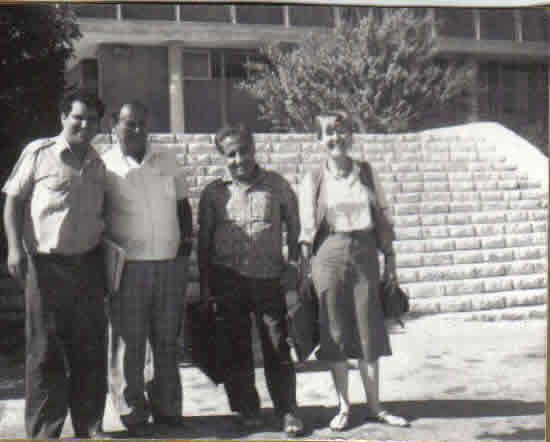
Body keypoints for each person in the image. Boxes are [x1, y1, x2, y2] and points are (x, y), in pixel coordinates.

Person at [3, 90, 108, 439]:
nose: (84, 124)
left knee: (89, 348)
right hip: (46, 266)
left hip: (89, 266)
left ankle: (90, 425)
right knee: (44, 350)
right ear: (63, 117)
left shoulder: (98, 162)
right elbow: (13, 201)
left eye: (91, 119)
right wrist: (14, 249)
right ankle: (44, 431)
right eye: (78, 117)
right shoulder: (39, 153)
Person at [298, 110, 409, 431]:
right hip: (328, 255)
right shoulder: (313, 179)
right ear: (320, 140)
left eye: (342, 131)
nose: (337, 138)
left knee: (368, 327)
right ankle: (343, 406)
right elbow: (307, 230)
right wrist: (305, 273)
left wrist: (391, 262)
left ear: (351, 135)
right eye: (329, 133)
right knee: (334, 330)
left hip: (365, 254)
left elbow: (383, 218)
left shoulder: (367, 173)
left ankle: (375, 406)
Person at [198, 124, 304, 436]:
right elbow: (204, 242)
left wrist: (294, 264)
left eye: (243, 151)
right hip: (227, 278)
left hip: (268, 277)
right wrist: (205, 287)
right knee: (235, 344)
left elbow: (295, 227)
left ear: (253, 149)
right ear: (223, 157)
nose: (239, 159)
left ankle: (287, 410)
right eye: (231, 154)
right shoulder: (214, 193)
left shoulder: (277, 185)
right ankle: (247, 409)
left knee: (276, 343)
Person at [102, 102, 192, 437]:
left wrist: (184, 249)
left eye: (141, 123)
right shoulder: (105, 165)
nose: (137, 130)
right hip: (128, 268)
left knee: (166, 341)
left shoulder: (166, 159)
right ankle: (133, 414)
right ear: (115, 125)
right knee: (130, 343)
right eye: (129, 124)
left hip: (168, 263)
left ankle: (168, 409)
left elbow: (183, 206)